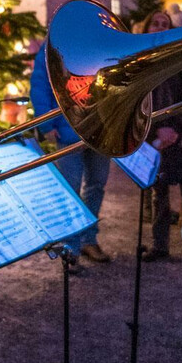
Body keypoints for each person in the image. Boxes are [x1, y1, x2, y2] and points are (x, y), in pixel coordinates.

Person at [30, 42, 113, 268]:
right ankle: (71, 246)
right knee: (71, 189)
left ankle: (88, 239)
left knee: (96, 185)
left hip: (99, 129)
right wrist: (47, 125)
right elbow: (40, 84)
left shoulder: (98, 45)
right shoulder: (53, 48)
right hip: (68, 130)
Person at [138, 11, 182, 267]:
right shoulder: (140, 61)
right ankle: (160, 246)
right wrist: (157, 130)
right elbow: (139, 103)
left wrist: (176, 128)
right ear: (146, 28)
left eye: (164, 24)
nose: (159, 26)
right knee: (160, 197)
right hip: (157, 137)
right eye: (155, 22)